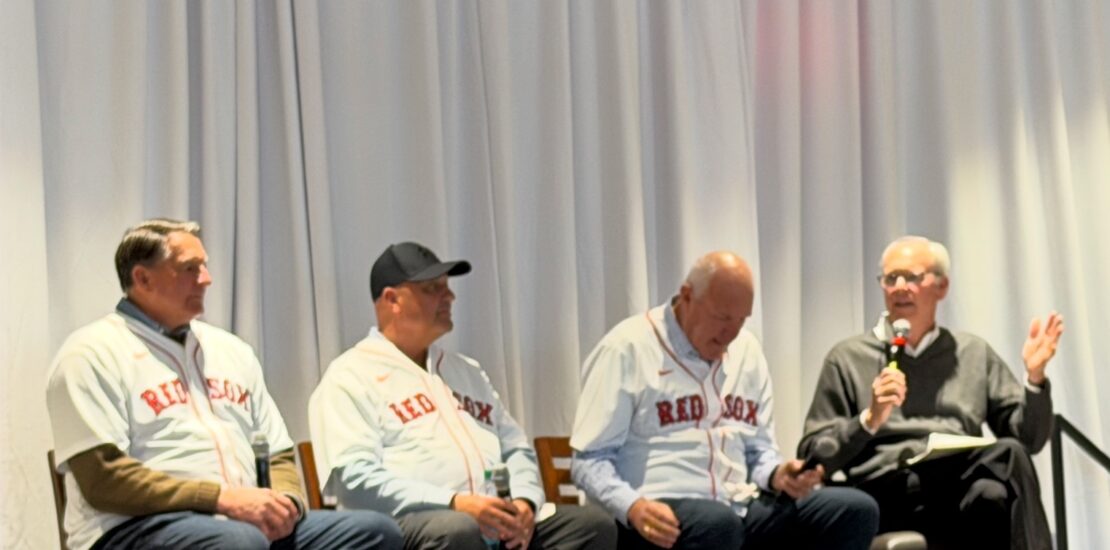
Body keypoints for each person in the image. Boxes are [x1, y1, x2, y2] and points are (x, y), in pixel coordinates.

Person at [46, 219, 402, 550]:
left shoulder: (230, 350)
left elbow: (276, 451)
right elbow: (104, 479)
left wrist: (286, 502)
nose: (206, 278)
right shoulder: (90, 354)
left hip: (241, 523)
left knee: (375, 531)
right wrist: (219, 498)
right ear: (143, 278)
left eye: (204, 266)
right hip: (129, 530)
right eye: (190, 268)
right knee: (238, 542)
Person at [308, 242, 617, 550]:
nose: (450, 297)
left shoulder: (466, 371)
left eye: (448, 288)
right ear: (392, 300)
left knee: (591, 525)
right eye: (433, 289)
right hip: (413, 526)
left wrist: (525, 502)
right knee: (456, 529)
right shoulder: (351, 375)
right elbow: (353, 480)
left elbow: (515, 448)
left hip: (492, 523)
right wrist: (454, 502)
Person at [571, 251, 879, 550]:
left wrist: (778, 475)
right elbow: (588, 462)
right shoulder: (627, 348)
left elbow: (759, 451)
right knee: (716, 524)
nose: (730, 333)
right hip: (656, 517)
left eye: (741, 320)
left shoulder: (747, 350)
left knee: (852, 509)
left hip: (738, 506)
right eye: (721, 318)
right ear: (687, 296)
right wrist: (633, 506)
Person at [799, 235, 1063, 550]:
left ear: (942, 287)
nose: (899, 286)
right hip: (886, 490)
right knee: (1006, 455)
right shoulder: (848, 357)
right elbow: (813, 454)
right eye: (890, 278)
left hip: (955, 489)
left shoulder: (972, 353)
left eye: (911, 277)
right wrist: (868, 420)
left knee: (992, 493)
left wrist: (1035, 378)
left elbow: (1030, 439)